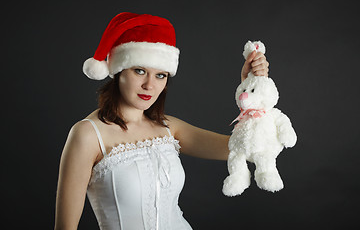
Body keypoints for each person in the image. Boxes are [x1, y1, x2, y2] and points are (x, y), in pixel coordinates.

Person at [54, 12, 269, 230]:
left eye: (160, 75)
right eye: (140, 71)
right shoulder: (87, 135)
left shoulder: (169, 128)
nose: (150, 85)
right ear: (118, 71)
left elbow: (243, 148)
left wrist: (253, 89)